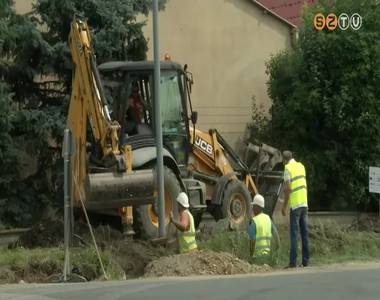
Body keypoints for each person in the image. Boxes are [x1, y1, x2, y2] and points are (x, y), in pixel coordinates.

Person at [282, 150, 310, 268]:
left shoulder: (287, 168)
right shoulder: (301, 166)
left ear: (284, 159)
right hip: (304, 203)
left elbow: (288, 189)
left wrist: (284, 206)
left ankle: (292, 262)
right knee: (304, 233)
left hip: (295, 205)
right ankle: (305, 261)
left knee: (294, 234)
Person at [248, 194, 279, 265]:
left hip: (257, 258)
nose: (252, 208)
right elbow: (277, 238)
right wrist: (275, 255)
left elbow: (252, 242)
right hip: (267, 258)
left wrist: (251, 256)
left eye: (254, 206)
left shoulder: (254, 221)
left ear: (257, 207)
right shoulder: (268, 219)